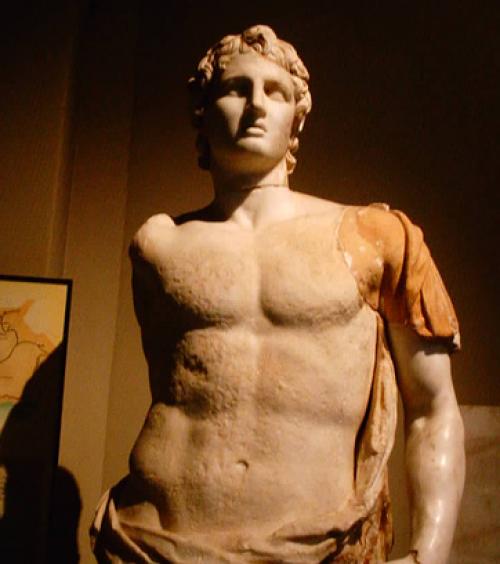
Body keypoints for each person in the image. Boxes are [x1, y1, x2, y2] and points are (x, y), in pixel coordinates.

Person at [91, 25, 464, 563]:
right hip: (150, 538)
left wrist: (429, 552)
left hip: (317, 544)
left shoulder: (376, 238)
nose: (256, 106)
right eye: (235, 89)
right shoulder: (158, 245)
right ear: (202, 110)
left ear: (297, 118)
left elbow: (432, 409)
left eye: (276, 92)